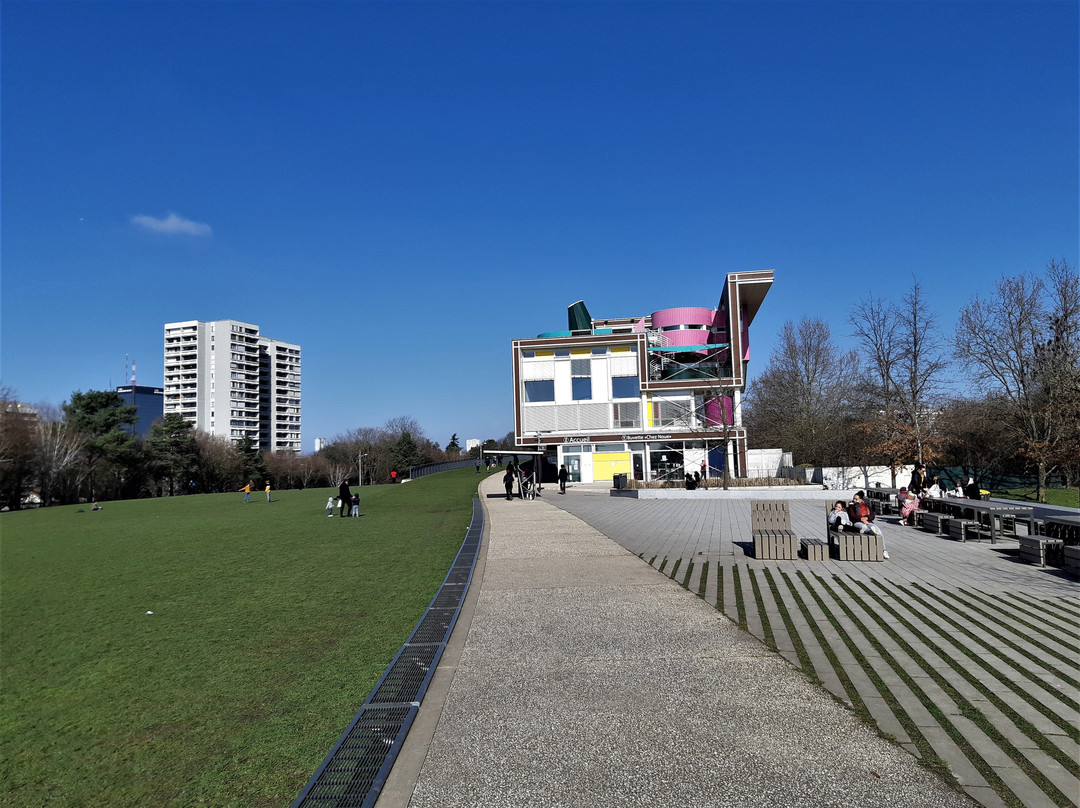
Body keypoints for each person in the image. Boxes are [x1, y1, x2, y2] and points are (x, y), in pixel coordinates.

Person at [848, 491, 889, 558]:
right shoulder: (851, 506)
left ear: (861, 500)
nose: (854, 500)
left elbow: (872, 516)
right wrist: (862, 519)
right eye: (854, 498)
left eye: (856, 499)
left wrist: (866, 518)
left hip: (868, 522)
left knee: (878, 531)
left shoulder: (867, 506)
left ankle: (884, 550)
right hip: (857, 523)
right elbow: (852, 516)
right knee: (862, 526)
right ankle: (871, 531)